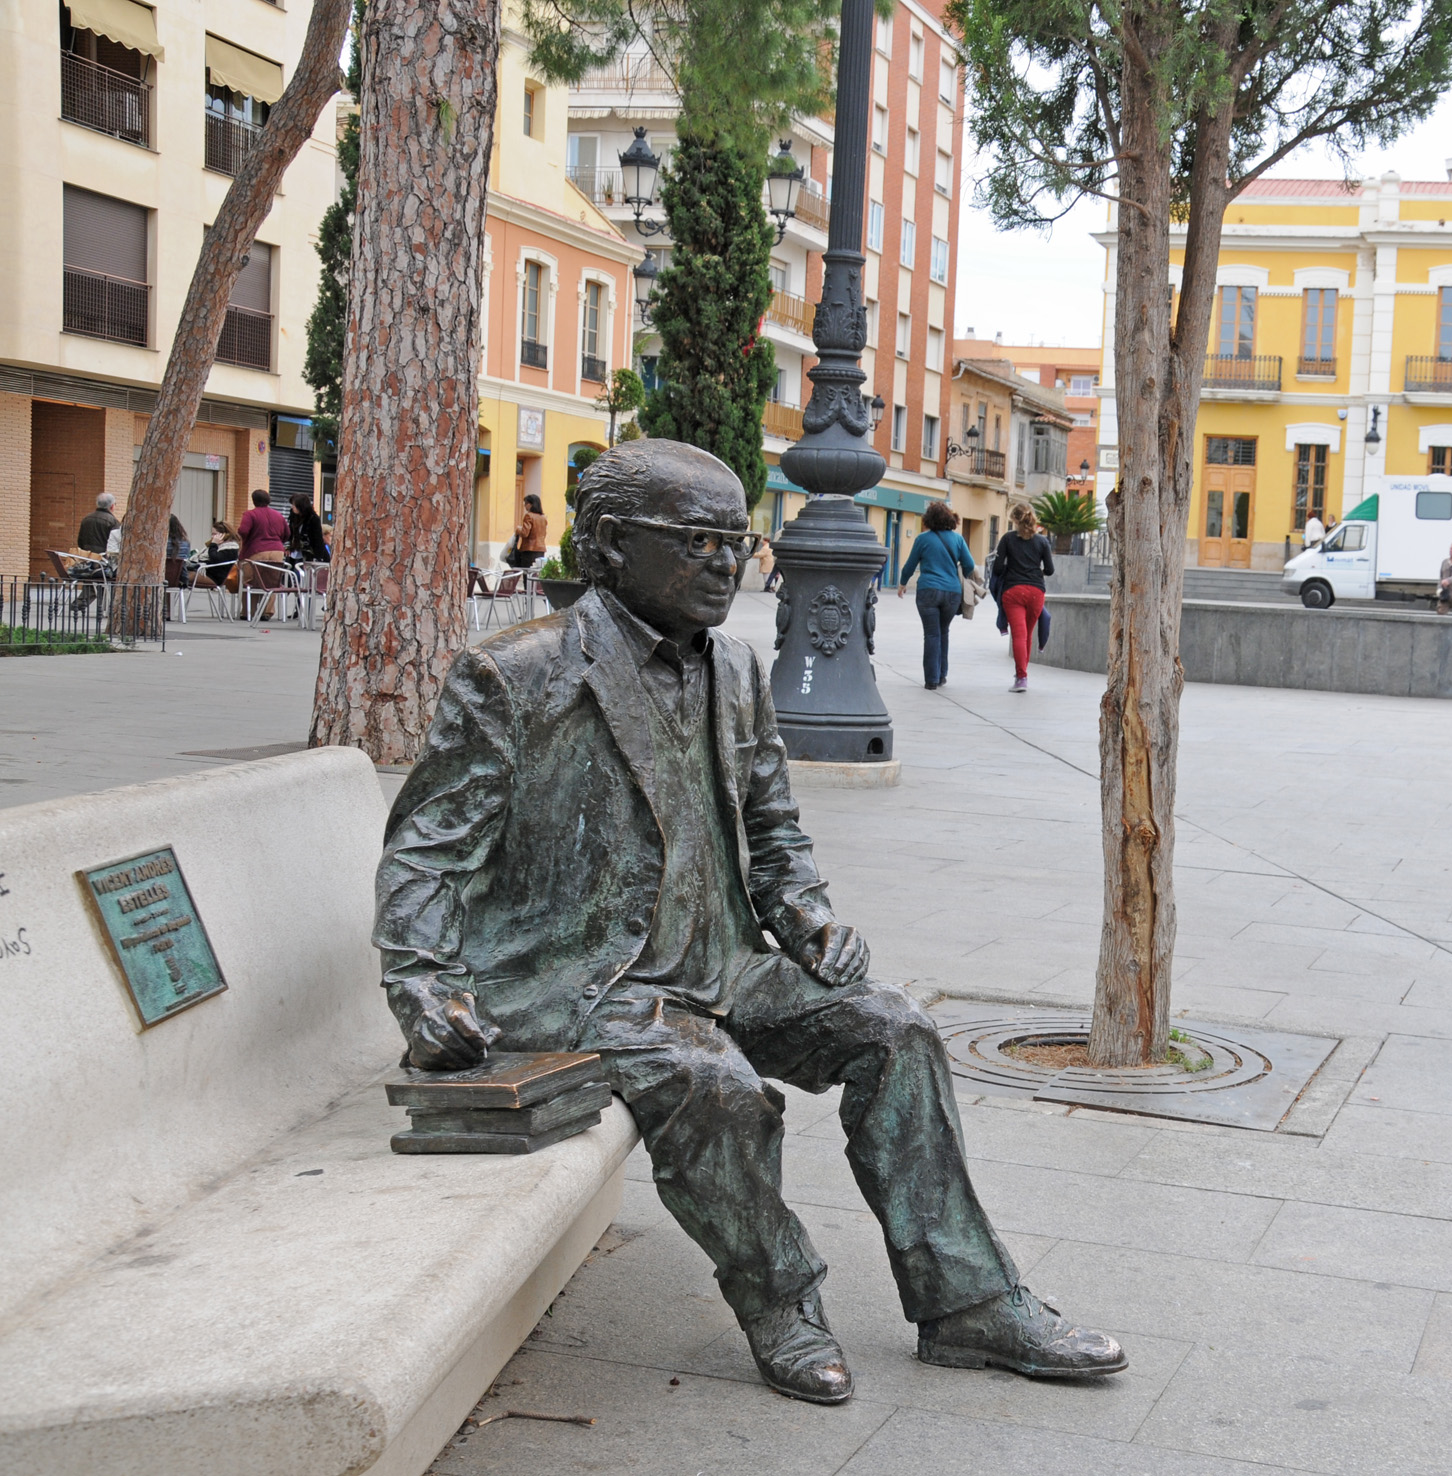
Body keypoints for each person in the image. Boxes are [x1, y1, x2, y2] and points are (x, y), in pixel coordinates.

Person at [375, 440, 1121, 1406]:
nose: (727, 562)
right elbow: (427, 851)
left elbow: (773, 829)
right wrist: (424, 985)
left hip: (727, 961)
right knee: (712, 1082)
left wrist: (807, 919)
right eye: (696, 540)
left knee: (897, 1029)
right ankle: (782, 1301)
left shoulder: (734, 667)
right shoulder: (512, 677)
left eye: (738, 540)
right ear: (607, 545)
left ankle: (967, 1301)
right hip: (595, 983)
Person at [898, 501, 976, 690]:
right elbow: (970, 565)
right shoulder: (958, 540)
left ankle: (931, 679)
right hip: (952, 593)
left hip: (928, 592)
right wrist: (959, 575)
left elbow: (910, 565)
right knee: (943, 631)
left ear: (928, 519)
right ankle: (942, 675)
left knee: (931, 634)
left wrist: (902, 583)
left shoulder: (922, 539)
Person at [991, 503, 1054, 693]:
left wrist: (1011, 567)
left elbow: (997, 568)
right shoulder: (1042, 542)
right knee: (1027, 634)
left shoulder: (1008, 539)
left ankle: (1021, 677)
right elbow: (1050, 570)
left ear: (1015, 520)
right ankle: (1022, 675)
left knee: (1018, 635)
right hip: (1036, 592)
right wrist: (1036, 571)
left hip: (1014, 591)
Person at [237, 490, 289, 568]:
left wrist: (243, 541)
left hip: (256, 550)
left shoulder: (250, 514)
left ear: (254, 500)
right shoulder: (278, 515)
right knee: (273, 579)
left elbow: (243, 531)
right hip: (277, 551)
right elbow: (287, 533)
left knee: (252, 578)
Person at [288, 493, 331, 563]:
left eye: (294, 505)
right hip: (296, 552)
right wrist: (289, 547)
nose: (292, 507)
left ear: (300, 506)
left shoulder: (313, 519)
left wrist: (318, 556)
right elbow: (291, 534)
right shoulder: (294, 518)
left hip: (310, 553)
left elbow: (318, 539)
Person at [508, 492, 547, 569]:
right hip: (541, 550)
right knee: (536, 573)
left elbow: (525, 533)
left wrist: (518, 529)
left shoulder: (529, 516)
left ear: (530, 504)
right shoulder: (543, 518)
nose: (525, 506)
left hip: (529, 549)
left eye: (525, 503)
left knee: (527, 572)